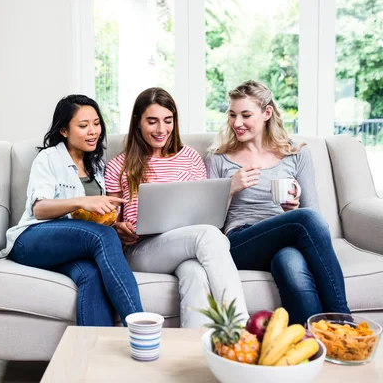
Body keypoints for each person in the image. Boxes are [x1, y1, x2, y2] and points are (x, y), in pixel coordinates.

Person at [205, 80, 350, 325]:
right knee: (306, 221)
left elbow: (314, 215)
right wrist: (229, 189)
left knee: (289, 261)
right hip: (240, 240)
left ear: (267, 113)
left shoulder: (295, 153)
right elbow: (206, 225)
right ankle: (344, 322)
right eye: (232, 115)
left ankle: (313, 340)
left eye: (245, 115)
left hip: (285, 236)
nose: (237, 123)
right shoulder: (219, 158)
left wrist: (291, 210)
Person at [104, 87, 249, 328]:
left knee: (194, 273)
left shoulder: (191, 158)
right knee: (209, 235)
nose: (161, 130)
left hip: (184, 247)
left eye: (168, 121)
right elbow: (111, 221)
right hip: (141, 251)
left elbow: (205, 211)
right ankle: (240, 328)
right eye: (152, 121)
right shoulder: (118, 165)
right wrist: (119, 228)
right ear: (137, 122)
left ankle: (195, 349)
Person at [0, 94, 143, 327]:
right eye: (83, 126)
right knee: (101, 236)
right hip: (31, 241)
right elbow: (40, 209)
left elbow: (92, 220)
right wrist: (80, 201)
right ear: (64, 131)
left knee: (91, 275)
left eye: (96, 123)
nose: (93, 131)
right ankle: (140, 328)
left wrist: (115, 226)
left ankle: (93, 354)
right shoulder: (49, 158)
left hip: (71, 249)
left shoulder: (96, 165)